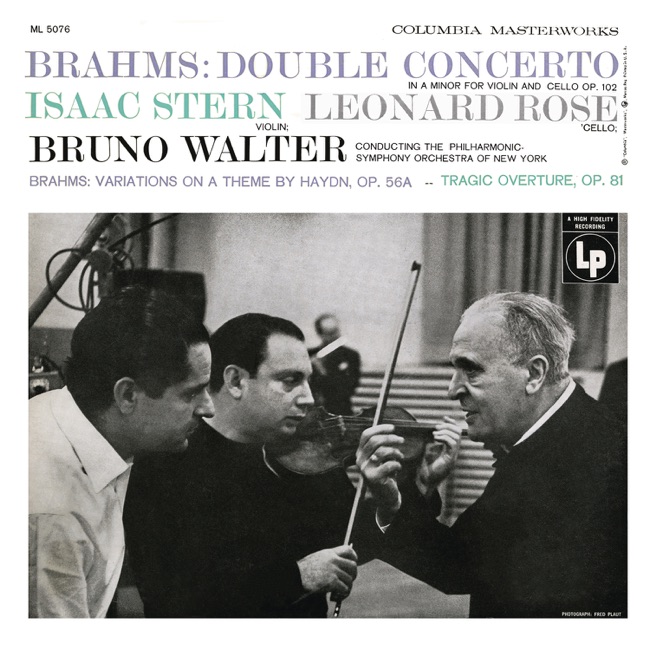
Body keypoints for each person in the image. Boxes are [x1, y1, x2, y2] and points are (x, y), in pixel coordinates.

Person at [358, 291, 627, 618]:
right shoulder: (554, 436)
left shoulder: (590, 458)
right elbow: (463, 563)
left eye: (471, 370)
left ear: (534, 374)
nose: (452, 390)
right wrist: (396, 500)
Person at [123, 313, 370, 618]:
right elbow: (172, 599)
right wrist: (296, 578)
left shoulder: (305, 455)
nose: (308, 398)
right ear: (236, 381)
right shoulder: (164, 463)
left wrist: (389, 494)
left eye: (309, 381)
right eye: (290, 381)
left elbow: (356, 542)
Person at [29, 286, 215, 618]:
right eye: (191, 393)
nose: (208, 408)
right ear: (127, 395)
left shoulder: (65, 414)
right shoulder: (53, 515)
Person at [308, 313, 361, 415]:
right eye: (330, 333)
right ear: (320, 334)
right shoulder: (310, 354)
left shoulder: (350, 356)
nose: (336, 337)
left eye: (336, 331)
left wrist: (323, 371)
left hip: (339, 409)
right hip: (313, 410)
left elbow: (350, 388)